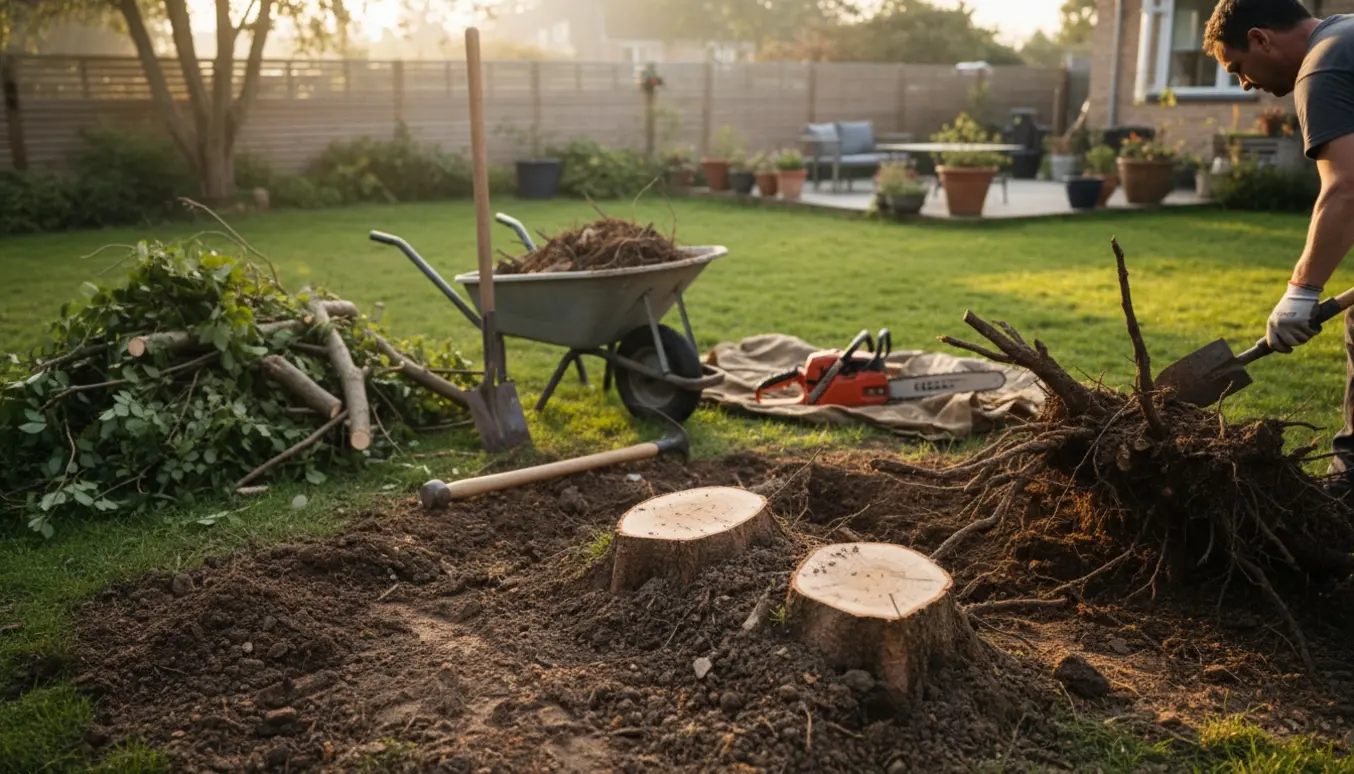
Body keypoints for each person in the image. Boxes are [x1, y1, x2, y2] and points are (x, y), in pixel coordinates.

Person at [1205, 0, 1354, 497]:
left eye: (1238, 68)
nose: (1244, 84)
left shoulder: (1323, 67)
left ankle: (1342, 511)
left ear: (1261, 39)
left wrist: (1302, 290)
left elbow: (1346, 187)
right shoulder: (1347, 35)